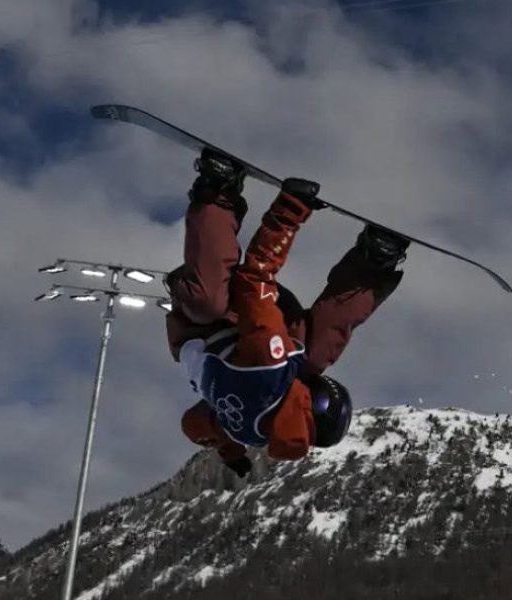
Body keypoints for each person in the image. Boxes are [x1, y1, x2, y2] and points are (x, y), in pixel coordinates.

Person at [165, 148, 409, 478]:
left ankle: (218, 193)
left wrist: (290, 210)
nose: (308, 381)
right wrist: (231, 453)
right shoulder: (259, 431)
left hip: (205, 325)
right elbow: (197, 427)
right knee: (315, 355)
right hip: (262, 325)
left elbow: (254, 277)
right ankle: (372, 264)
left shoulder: (268, 371)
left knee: (207, 303)